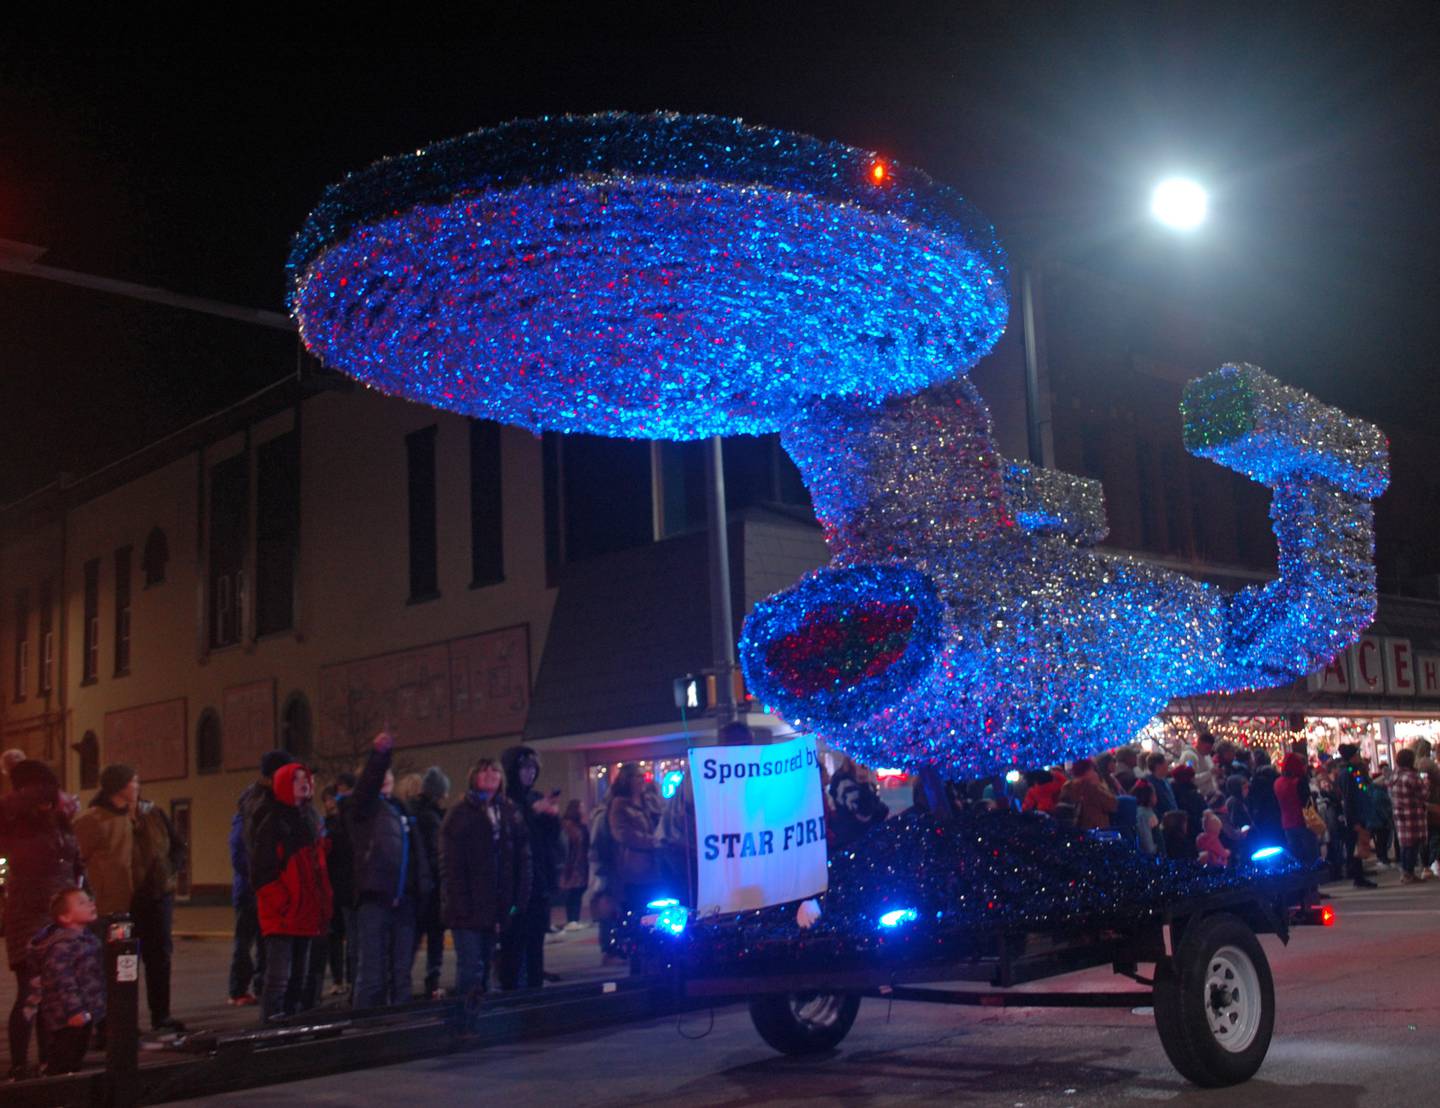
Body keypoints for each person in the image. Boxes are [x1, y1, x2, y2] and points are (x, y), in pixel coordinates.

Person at [73, 764, 186, 1032]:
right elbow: (77, 860)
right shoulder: (93, 820)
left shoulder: (152, 813)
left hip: (156, 898)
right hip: (118, 905)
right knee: (120, 964)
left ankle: (161, 1015)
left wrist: (169, 872)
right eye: (133, 782)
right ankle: (116, 1022)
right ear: (118, 787)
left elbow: (177, 845)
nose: (137, 786)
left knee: (159, 958)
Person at [1, 760, 83, 1079]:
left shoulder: (60, 820)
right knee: (31, 990)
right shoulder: (13, 820)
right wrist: (44, 790)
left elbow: (74, 861)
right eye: (43, 789)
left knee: (53, 993)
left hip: (59, 915)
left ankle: (50, 1059)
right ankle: (20, 1064)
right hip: (27, 914)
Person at [347, 732, 432, 1008]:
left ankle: (400, 1023)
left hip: (404, 900)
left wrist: (422, 889)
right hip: (376, 898)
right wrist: (380, 756)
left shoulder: (402, 810)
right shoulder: (363, 808)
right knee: (372, 973)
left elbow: (416, 853)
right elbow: (368, 785)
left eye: (388, 773)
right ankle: (366, 1028)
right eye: (380, 774)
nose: (385, 777)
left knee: (401, 971)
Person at [440, 758, 531, 1001]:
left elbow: (521, 858)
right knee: (470, 968)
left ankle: (484, 1018)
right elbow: (451, 864)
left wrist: (516, 901)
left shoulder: (509, 812)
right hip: (467, 907)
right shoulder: (461, 813)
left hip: (497, 906)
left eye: (495, 770)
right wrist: (459, 903)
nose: (490, 774)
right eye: (484, 770)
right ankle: (466, 1021)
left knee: (488, 968)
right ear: (473, 777)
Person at [251, 763, 332, 1022]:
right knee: (278, 978)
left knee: (299, 974)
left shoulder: (309, 818)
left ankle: (291, 1024)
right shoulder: (273, 821)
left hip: (304, 911)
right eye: (296, 779)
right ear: (285, 784)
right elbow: (262, 872)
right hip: (284, 914)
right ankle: (270, 1027)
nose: (304, 782)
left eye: (305, 777)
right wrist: (284, 903)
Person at [228, 750, 297, 1007]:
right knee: (246, 940)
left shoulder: (264, 801)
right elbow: (239, 848)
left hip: (262, 884)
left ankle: (260, 985)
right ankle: (238, 988)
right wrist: (258, 876)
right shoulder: (255, 804)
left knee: (265, 942)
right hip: (251, 887)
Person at [499, 745, 562, 990]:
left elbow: (550, 841)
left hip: (539, 881)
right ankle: (512, 992)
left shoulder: (535, 798)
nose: (529, 774)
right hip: (515, 884)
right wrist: (532, 813)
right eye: (525, 768)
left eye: (533, 769)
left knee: (536, 943)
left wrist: (551, 816)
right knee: (513, 944)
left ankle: (535, 992)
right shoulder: (506, 801)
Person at [30, 888, 104, 1076]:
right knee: (64, 1056)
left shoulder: (88, 939)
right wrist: (74, 1010)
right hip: (66, 1016)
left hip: (84, 1012)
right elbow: (63, 980)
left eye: (89, 900)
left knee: (76, 1055)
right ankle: (55, 1092)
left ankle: (69, 1088)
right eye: (82, 903)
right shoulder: (62, 945)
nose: (90, 904)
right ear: (65, 917)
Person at [606, 763, 662, 920]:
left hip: (654, 868)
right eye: (638, 776)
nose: (642, 780)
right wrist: (653, 841)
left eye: (643, 776)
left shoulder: (648, 801)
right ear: (627, 780)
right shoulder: (619, 804)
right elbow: (623, 834)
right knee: (637, 912)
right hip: (634, 869)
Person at [411, 767, 449, 997]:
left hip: (416, 887)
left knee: (413, 939)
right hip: (431, 888)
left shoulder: (414, 811)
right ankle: (432, 982)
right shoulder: (432, 817)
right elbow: (437, 854)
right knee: (435, 936)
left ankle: (402, 983)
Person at [322, 772, 357, 996]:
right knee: (334, 937)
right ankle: (337, 979)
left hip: (346, 886)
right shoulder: (324, 826)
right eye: (326, 799)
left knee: (351, 937)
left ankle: (352, 979)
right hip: (331, 888)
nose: (330, 803)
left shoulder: (346, 823)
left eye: (332, 798)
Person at [1390, 748, 1429, 884]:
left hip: (1399, 814)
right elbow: (1424, 794)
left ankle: (1406, 872)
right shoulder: (1412, 777)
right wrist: (1426, 784)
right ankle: (1409, 873)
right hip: (1413, 815)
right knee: (1413, 845)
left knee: (1405, 845)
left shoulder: (1395, 776)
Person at [1274, 751, 1319, 872]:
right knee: (1311, 857)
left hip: (1287, 823)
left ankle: (1303, 889)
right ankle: (1312, 888)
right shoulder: (1299, 782)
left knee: (1297, 857)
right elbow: (1306, 804)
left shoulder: (1277, 783)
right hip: (1303, 822)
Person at [828, 770, 890, 848]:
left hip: (853, 835)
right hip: (854, 836)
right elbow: (864, 813)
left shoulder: (846, 778)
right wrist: (864, 783)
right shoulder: (845, 780)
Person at [1058, 759, 1117, 831]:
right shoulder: (1089, 788)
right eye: (1093, 770)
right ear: (1087, 771)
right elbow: (1112, 805)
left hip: (1076, 832)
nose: (1095, 773)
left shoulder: (1067, 787)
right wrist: (1099, 786)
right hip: (1095, 831)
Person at [559, 799, 590, 930]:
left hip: (581, 862)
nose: (583, 810)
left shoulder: (581, 825)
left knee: (578, 890)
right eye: (581, 807)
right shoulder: (568, 826)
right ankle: (571, 919)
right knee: (573, 892)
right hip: (572, 863)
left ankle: (574, 919)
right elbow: (568, 845)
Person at [1180, 731, 1217, 797]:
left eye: (1210, 748)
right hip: (1198, 796)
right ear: (1199, 743)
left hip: (1211, 794)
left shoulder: (1206, 756)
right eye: (1207, 748)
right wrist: (1210, 773)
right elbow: (1191, 779)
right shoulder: (1189, 757)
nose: (1209, 751)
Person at [1141, 753, 1176, 818]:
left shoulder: (1164, 780)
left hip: (1173, 818)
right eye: (1165, 763)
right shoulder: (1149, 783)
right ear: (1158, 766)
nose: (1167, 766)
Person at [1132, 781, 1160, 856]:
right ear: (1148, 796)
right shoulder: (1143, 814)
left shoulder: (1149, 811)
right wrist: (1153, 852)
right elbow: (1146, 838)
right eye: (1154, 794)